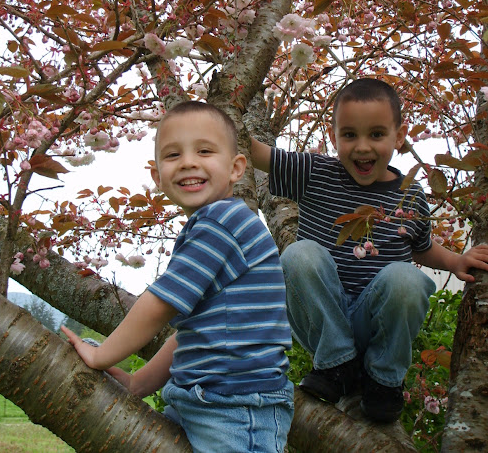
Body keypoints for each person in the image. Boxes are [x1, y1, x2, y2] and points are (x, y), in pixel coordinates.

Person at [251, 78, 488, 423]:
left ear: (400, 135)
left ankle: (383, 380)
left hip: (376, 320)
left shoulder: (410, 195)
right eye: (349, 135)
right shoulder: (315, 172)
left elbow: (421, 248)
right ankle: (337, 365)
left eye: (376, 134)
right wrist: (221, 116)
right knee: (297, 255)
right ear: (333, 138)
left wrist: (456, 261)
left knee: (407, 279)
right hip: (321, 319)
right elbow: (256, 152)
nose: (362, 147)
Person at [62, 101, 294, 453]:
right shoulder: (215, 224)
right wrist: (138, 383)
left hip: (235, 410)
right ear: (157, 177)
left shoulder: (221, 223)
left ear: (236, 169)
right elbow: (194, 333)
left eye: (204, 151)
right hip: (206, 401)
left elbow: (160, 305)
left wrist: (101, 356)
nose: (188, 162)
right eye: (173, 155)